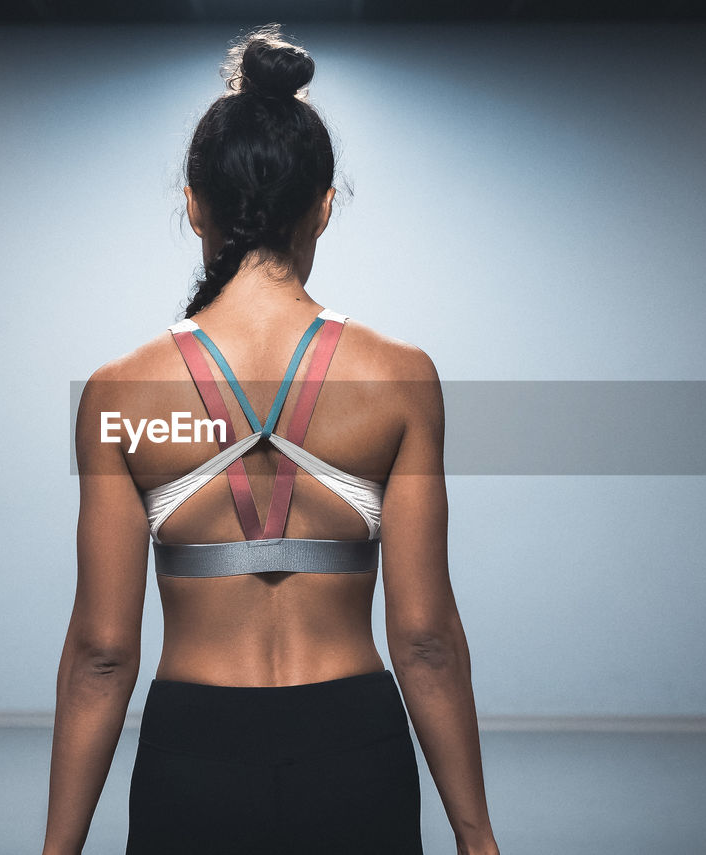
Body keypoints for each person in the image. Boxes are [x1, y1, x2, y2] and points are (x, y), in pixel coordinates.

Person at [42, 23, 499, 855]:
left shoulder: (120, 393)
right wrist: (479, 838)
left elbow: (102, 653)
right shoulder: (401, 378)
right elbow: (427, 639)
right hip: (353, 744)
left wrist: (56, 850)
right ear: (325, 205)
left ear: (193, 203)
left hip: (194, 750)